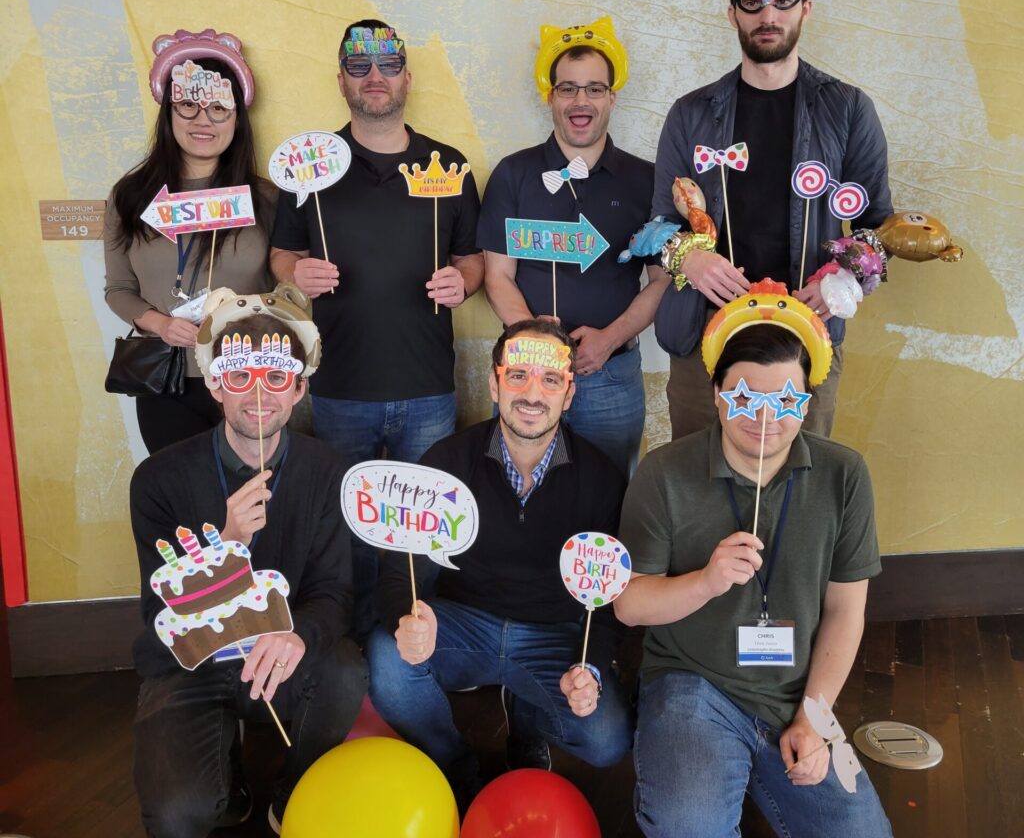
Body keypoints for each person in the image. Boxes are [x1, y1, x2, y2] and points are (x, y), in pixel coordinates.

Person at [615, 284, 892, 837]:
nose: (765, 419)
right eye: (745, 398)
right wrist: (705, 582)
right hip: (692, 681)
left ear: (806, 402)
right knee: (688, 827)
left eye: (784, 401)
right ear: (717, 394)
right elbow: (627, 605)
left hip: (795, 691)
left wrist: (814, 719)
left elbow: (844, 612)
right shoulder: (664, 473)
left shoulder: (844, 476)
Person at [270, 18, 483, 639]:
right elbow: (281, 254)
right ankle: (359, 646)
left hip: (427, 386)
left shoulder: (450, 165)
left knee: (423, 528)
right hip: (339, 386)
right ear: (341, 81)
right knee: (350, 528)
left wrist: (463, 281)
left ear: (407, 78)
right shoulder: (309, 169)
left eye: (387, 66)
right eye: (359, 68)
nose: (375, 78)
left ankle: (416, 643)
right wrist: (297, 272)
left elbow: (472, 258)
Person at [129, 285, 367, 837]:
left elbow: (335, 594)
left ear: (300, 389)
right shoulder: (159, 480)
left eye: (277, 379)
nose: (259, 396)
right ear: (215, 383)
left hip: (281, 656)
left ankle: (293, 790)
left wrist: (297, 634)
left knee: (344, 667)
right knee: (177, 817)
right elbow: (157, 613)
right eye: (240, 378)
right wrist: (226, 545)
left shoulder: (327, 471)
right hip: (190, 662)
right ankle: (227, 787)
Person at [367, 319, 633, 809]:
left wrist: (591, 669)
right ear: (493, 383)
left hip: (553, 634)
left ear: (568, 394)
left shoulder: (601, 479)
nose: (533, 394)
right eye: (517, 376)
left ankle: (525, 705)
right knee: (388, 658)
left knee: (607, 739)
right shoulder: (446, 462)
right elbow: (400, 567)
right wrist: (405, 617)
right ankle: (455, 765)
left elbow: (610, 596)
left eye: (551, 380)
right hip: (463, 625)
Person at [651, 0, 892, 439]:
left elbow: (879, 226)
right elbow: (657, 224)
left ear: (805, 8)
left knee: (800, 491)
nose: (768, 15)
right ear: (732, 13)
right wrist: (687, 259)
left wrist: (846, 276)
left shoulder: (847, 109)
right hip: (705, 343)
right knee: (699, 488)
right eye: (753, 3)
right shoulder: (690, 113)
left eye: (783, 1)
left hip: (806, 342)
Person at [477, 17, 669, 477]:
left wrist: (608, 340)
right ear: (550, 97)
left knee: (611, 490)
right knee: (520, 486)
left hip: (611, 374)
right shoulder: (513, 173)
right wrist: (536, 342)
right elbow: (496, 275)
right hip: (529, 376)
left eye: (594, 89)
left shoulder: (647, 179)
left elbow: (661, 282)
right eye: (567, 89)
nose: (581, 101)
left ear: (612, 98)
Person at [104, 28, 275, 454]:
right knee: (183, 499)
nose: (203, 120)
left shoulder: (268, 199)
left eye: (219, 107)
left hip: (248, 375)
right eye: (188, 105)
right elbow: (119, 290)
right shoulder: (130, 196)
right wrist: (161, 324)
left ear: (238, 118)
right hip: (167, 379)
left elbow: (284, 290)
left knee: (255, 501)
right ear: (168, 113)